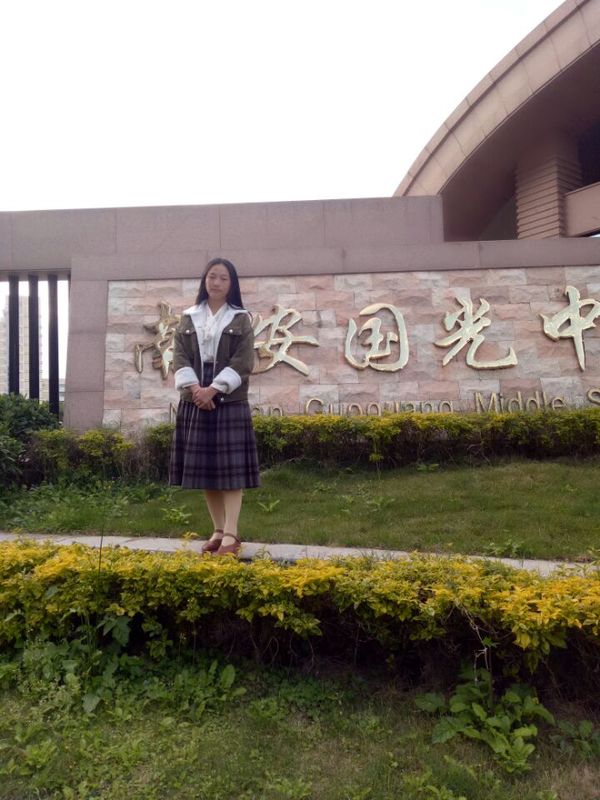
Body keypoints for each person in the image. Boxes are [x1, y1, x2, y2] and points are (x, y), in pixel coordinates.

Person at [169, 257, 260, 556]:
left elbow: (243, 361)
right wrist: (196, 389)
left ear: (231, 284)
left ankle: (232, 535)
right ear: (204, 280)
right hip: (195, 396)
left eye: (223, 278)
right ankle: (218, 531)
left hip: (228, 398)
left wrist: (214, 389)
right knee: (207, 469)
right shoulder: (189, 317)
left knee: (230, 471)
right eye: (212, 276)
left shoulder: (240, 318)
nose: (216, 282)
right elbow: (179, 356)